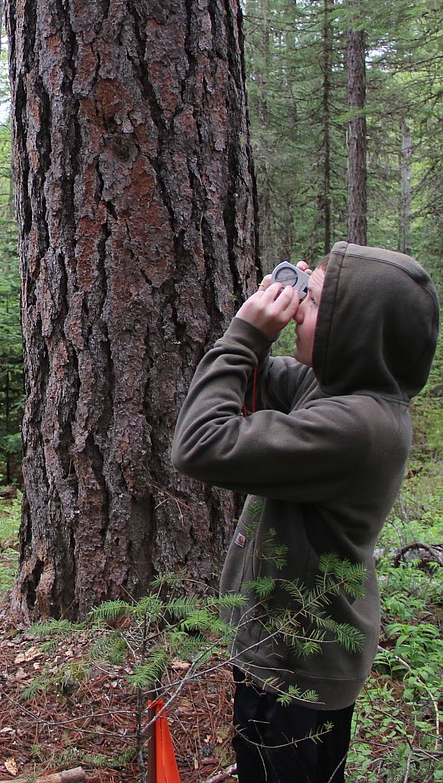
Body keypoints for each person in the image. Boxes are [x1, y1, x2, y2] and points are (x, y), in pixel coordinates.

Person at [171, 241, 439, 782]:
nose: (296, 307)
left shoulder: (355, 426)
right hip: (296, 645)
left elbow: (198, 445)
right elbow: (260, 378)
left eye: (311, 301)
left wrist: (247, 335)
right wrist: (251, 332)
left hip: (298, 664)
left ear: (352, 330)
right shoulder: (346, 389)